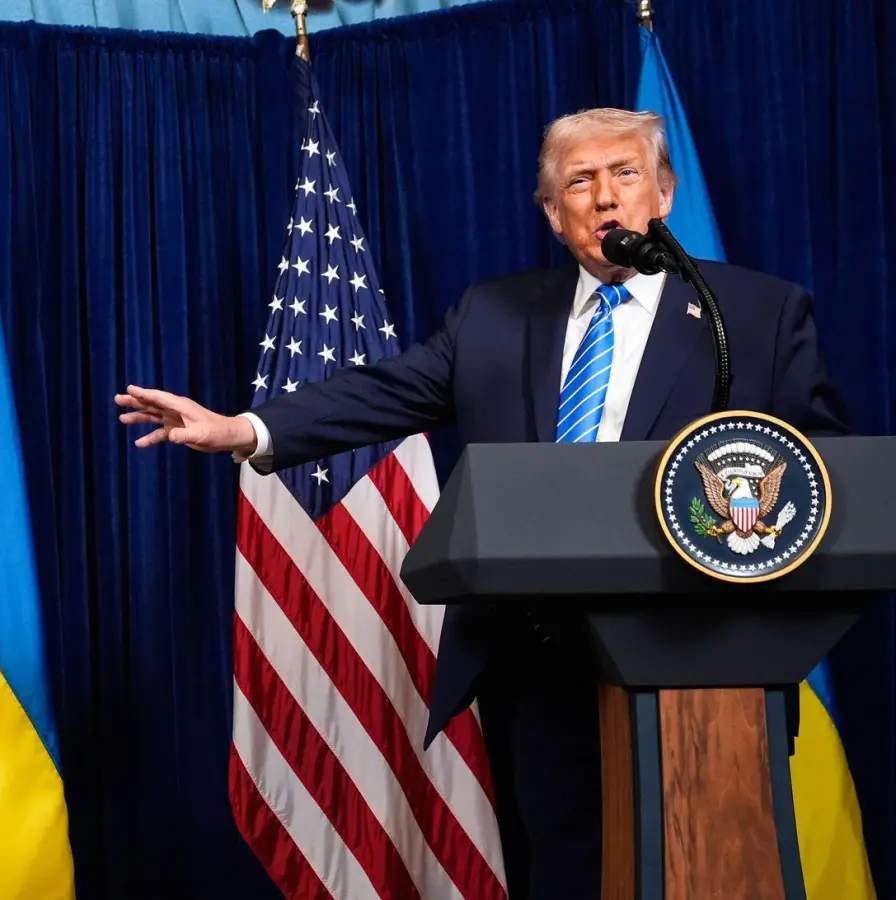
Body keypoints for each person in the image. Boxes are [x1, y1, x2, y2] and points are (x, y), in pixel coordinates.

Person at [115, 108, 850, 898]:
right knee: (565, 874)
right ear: (552, 212)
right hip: (539, 663)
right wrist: (244, 427)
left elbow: (819, 470)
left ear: (663, 195)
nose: (605, 198)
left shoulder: (755, 314)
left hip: (703, 656)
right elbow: (385, 391)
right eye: (580, 181)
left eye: (625, 175)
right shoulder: (495, 314)